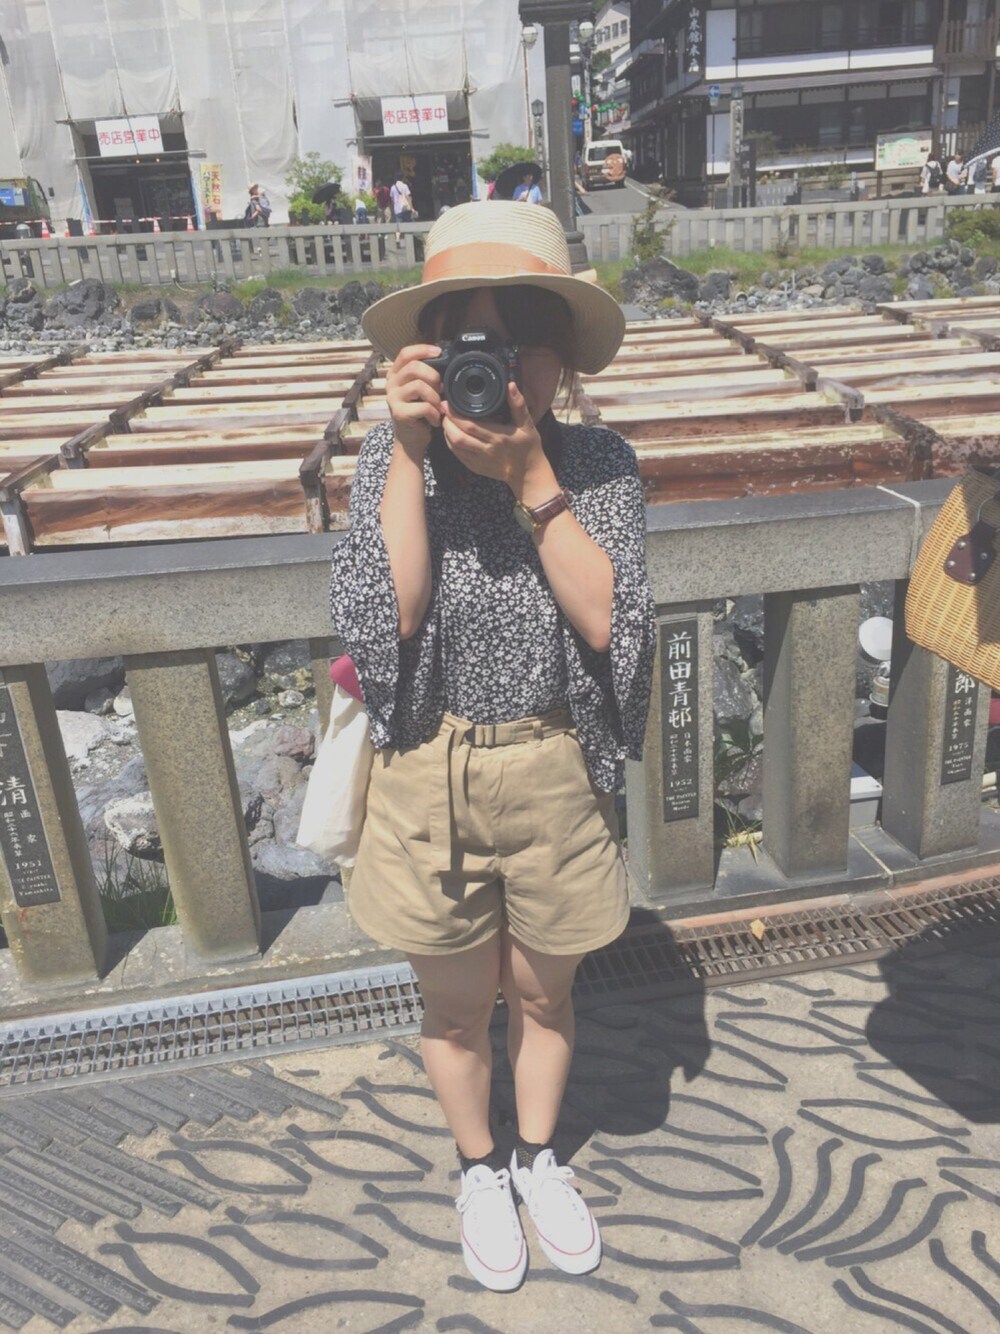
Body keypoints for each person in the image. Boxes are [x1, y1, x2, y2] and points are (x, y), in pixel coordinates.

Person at [329, 202, 656, 1291]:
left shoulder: (597, 461)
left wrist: (529, 480)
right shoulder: (395, 456)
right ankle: (480, 1168)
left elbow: (612, 622)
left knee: (548, 994)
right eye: (467, 341)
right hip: (430, 765)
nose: (495, 367)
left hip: (555, 766)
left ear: (560, 356)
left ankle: (537, 1157)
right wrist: (406, 450)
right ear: (426, 354)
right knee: (458, 1005)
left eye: (518, 336)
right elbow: (389, 618)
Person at [390, 176, 413, 246]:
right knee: (407, 223)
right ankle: (409, 240)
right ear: (402, 178)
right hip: (405, 208)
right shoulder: (405, 186)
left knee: (398, 225)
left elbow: (392, 199)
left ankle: (397, 239)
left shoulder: (393, 187)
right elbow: (408, 197)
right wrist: (411, 207)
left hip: (397, 209)